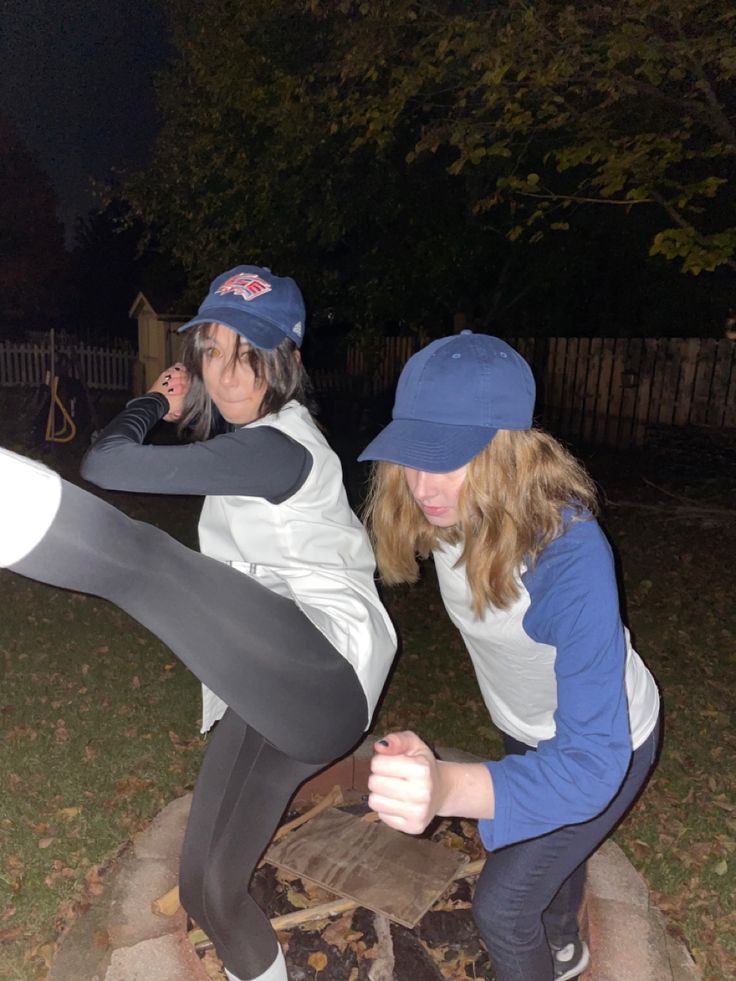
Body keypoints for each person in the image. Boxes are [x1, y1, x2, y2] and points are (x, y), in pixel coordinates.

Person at [0, 265, 396, 981]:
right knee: (206, 890)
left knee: (145, 561)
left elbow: (108, 460)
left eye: (250, 353)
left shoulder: (280, 449)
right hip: (273, 691)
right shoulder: (249, 447)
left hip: (327, 674)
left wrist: (151, 403)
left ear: (290, 362)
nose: (229, 373)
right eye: (213, 351)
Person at [358, 331, 661, 981]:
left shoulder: (567, 556)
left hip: (611, 741)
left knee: (503, 906)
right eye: (414, 453)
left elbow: (589, 764)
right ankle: (563, 948)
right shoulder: (443, 509)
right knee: (551, 877)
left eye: (449, 457)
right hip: (526, 727)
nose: (424, 482)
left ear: (509, 455)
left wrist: (447, 784)